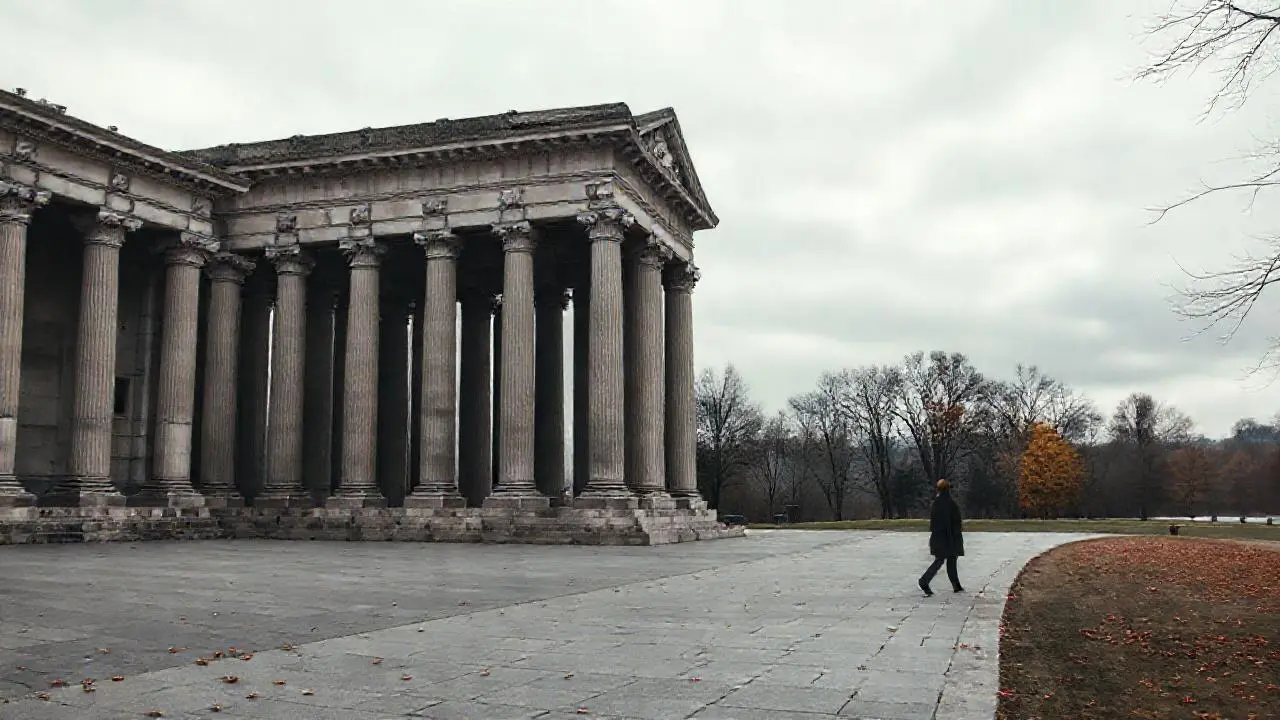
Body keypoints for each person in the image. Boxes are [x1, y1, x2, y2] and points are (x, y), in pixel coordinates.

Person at [919, 478, 964, 596]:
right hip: (947, 538)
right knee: (943, 560)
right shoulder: (949, 503)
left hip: (938, 537)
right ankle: (924, 581)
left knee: (948, 560)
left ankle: (956, 585)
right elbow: (952, 523)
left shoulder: (937, 503)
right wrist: (953, 541)